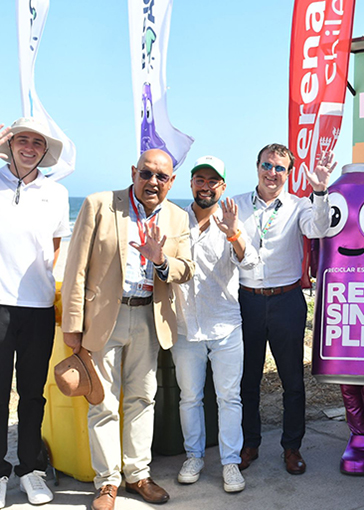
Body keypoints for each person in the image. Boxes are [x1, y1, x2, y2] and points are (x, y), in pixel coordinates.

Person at [61, 149, 195, 510]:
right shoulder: (100, 204)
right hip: (105, 318)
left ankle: (138, 475)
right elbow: (75, 269)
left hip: (149, 319)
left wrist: (161, 260)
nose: (153, 182)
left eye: (161, 177)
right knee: (102, 403)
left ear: (171, 182)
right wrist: (72, 326)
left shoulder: (177, 216)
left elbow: (186, 269)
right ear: (134, 172)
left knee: (142, 399)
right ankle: (107, 483)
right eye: (147, 173)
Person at [234, 144, 335, 475]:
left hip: (287, 301)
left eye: (280, 168)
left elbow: (318, 229)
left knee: (293, 380)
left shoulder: (299, 205)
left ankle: (292, 447)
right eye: (266, 165)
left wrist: (320, 191)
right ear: (257, 166)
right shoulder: (235, 204)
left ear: (289, 173)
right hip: (246, 300)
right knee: (247, 380)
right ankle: (250, 443)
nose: (272, 173)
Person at [172, 156, 258, 493]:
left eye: (213, 181)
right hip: (185, 326)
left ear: (222, 186)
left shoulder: (232, 221)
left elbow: (250, 262)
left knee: (229, 398)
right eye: (199, 180)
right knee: (189, 397)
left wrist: (235, 234)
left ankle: (230, 463)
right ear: (191, 184)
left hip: (225, 326)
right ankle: (193, 456)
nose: (206, 186)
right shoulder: (176, 220)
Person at [0, 118, 69, 507]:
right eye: (21, 140)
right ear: (10, 144)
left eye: (36, 142)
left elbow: (54, 245)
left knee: (32, 395)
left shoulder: (57, 193)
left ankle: (30, 469)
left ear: (45, 151)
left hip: (38, 307)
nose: (28, 147)